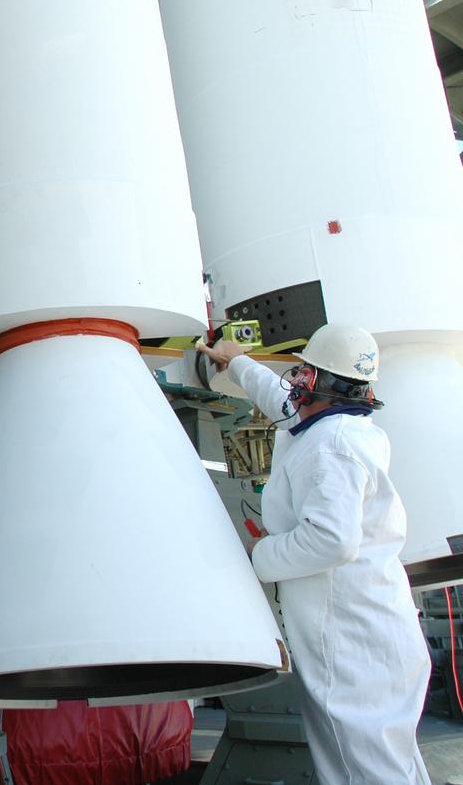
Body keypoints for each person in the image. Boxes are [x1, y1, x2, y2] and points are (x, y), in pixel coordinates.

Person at [198, 323, 430, 784]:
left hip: (349, 641)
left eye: (305, 374)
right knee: (392, 763)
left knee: (361, 770)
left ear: (321, 383)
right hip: (375, 632)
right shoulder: (334, 425)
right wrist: (237, 361)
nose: (297, 382)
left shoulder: (333, 446)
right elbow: (280, 402)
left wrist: (260, 556)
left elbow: (331, 540)